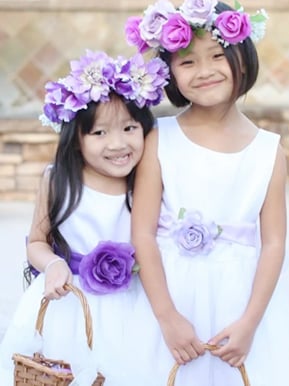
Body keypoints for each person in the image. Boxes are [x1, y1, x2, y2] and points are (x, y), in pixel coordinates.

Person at [124, 1, 289, 384]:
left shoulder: (268, 151)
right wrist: (166, 317)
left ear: (242, 61)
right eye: (187, 62)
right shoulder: (159, 138)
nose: (205, 71)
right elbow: (143, 232)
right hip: (169, 293)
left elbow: (274, 243)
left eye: (217, 56)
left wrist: (250, 322)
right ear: (170, 74)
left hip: (241, 298)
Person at [0, 50, 168, 385]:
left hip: (133, 306)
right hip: (70, 305)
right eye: (99, 133)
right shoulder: (59, 179)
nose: (118, 144)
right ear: (76, 139)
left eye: (129, 127)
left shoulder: (146, 183)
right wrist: (52, 264)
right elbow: (36, 241)